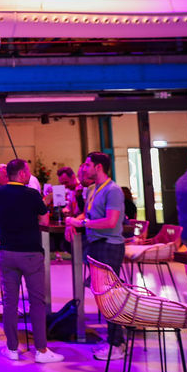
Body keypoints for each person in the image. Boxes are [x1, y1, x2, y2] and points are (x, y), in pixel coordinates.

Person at [0, 159, 64, 363]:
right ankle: (41, 350)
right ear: (22, 174)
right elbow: (44, 220)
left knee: (10, 302)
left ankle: (12, 348)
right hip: (31, 253)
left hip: (7, 252)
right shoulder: (32, 194)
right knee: (36, 302)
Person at [65, 151, 125, 360]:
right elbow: (87, 214)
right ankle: (112, 338)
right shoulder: (92, 189)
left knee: (110, 296)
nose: (84, 168)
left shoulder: (113, 190)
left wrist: (81, 223)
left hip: (109, 245)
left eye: (87, 164)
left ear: (98, 167)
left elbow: (111, 221)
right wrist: (73, 221)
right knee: (101, 296)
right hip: (96, 245)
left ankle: (117, 343)